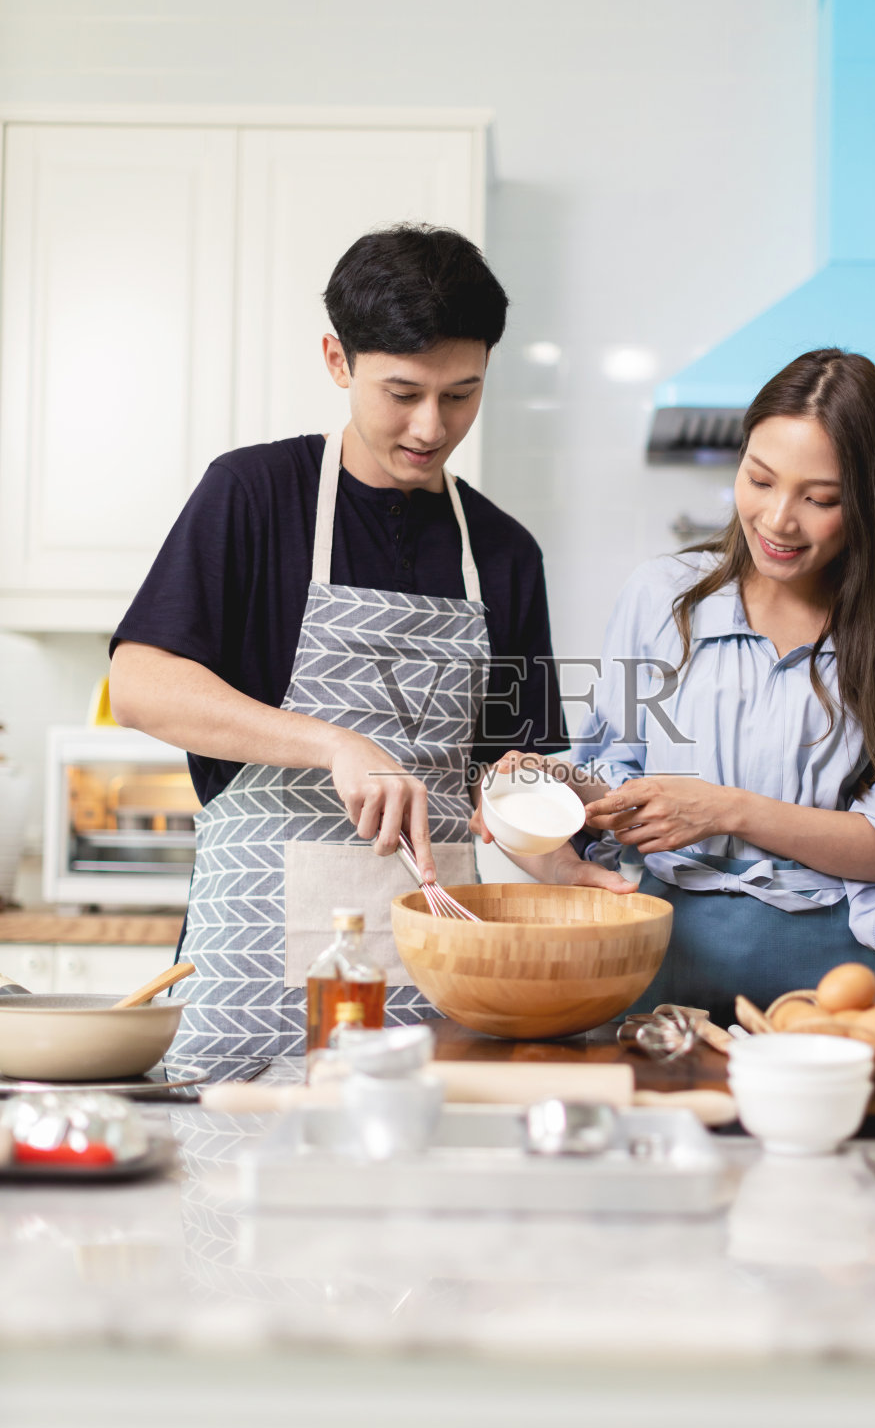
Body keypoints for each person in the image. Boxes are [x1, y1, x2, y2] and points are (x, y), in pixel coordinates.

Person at [108, 223, 620, 1053]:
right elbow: (140, 682)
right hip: (250, 989)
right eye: (402, 391)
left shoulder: (502, 552)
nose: (430, 425)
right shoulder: (253, 495)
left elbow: (504, 772)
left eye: (461, 394)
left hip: (435, 985)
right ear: (338, 362)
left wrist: (559, 816)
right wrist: (336, 743)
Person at [485, 349, 875, 1027]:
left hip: (831, 974)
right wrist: (554, 786)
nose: (777, 519)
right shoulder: (661, 597)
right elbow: (617, 785)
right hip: (656, 950)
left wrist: (726, 810)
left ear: (868, 502)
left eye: (819, 499)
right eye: (759, 479)